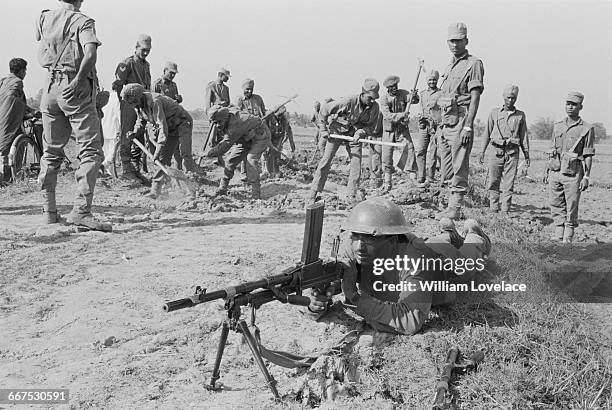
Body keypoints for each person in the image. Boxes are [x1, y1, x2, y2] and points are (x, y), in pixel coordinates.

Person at [309, 197, 491, 335]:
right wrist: (320, 298)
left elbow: (411, 320)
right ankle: (449, 234)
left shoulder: (413, 259)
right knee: (434, 243)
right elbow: (333, 280)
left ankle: (475, 238)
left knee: (466, 270)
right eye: (356, 236)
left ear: (392, 238)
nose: (359, 246)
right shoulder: (354, 246)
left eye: (370, 238)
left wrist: (354, 297)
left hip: (441, 266)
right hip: (427, 246)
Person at [35, 0, 111, 232]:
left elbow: (41, 43)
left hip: (49, 86)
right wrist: (79, 80)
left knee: (51, 151)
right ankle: (81, 212)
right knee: (90, 150)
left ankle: (49, 212)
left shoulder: (43, 17)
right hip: (73, 86)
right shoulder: (82, 21)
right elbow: (90, 53)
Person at [436, 23, 485, 219]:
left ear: (466, 41)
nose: (455, 45)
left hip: (460, 120)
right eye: (451, 41)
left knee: (459, 164)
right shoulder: (449, 65)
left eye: (458, 41)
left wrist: (468, 126)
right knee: (446, 165)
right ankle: (447, 204)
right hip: (446, 121)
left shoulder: (474, 64)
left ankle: (455, 208)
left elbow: (475, 97)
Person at [308, 79, 381, 204]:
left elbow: (372, 127)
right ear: (363, 94)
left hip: (354, 135)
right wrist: (323, 129)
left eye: (374, 98)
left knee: (356, 165)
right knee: (326, 161)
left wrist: (362, 132)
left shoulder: (374, 107)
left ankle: (351, 196)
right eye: (370, 97)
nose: (372, 101)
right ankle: (313, 193)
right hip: (337, 131)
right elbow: (324, 111)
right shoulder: (348, 101)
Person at [120, 84, 194, 199]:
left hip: (182, 123)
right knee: (163, 160)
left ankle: (193, 186)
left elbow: (161, 126)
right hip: (170, 127)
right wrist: (134, 132)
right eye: (130, 103)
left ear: (139, 97)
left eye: (133, 102)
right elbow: (141, 120)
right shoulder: (138, 105)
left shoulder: (155, 102)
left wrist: (158, 149)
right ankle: (156, 191)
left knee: (184, 155)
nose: (132, 105)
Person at [543, 92, 595, 244]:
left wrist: (586, 177)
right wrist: (547, 170)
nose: (570, 107)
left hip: (573, 173)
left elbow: (588, 154)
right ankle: (558, 233)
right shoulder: (557, 126)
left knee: (571, 205)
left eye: (574, 104)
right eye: (568, 103)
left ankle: (568, 237)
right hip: (556, 171)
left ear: (581, 107)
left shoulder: (586, 128)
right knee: (556, 203)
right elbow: (552, 149)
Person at [478, 85, 530, 214]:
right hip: (496, 151)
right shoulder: (494, 113)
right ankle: (493, 208)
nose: (511, 100)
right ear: (503, 97)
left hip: (512, 152)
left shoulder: (520, 115)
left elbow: (523, 136)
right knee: (494, 181)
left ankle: (505, 210)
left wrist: (527, 154)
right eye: (508, 98)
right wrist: (482, 151)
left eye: (513, 98)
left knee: (509, 184)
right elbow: (487, 132)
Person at [203, 104, 271, 199]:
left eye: (219, 122)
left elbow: (224, 146)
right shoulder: (227, 114)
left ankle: (256, 194)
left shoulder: (235, 126)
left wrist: (208, 154)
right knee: (230, 161)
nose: (217, 125)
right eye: (215, 122)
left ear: (225, 118)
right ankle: (222, 188)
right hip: (245, 137)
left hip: (260, 136)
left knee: (251, 161)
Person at [112, 34, 152, 184]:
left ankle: (136, 168)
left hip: (142, 104)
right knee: (127, 134)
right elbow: (117, 85)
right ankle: (126, 169)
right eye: (143, 50)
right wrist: (124, 102)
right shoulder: (126, 63)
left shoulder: (146, 65)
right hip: (128, 103)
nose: (145, 53)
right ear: (136, 47)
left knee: (139, 134)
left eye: (148, 50)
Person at [152, 62, 202, 175]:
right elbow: (154, 103)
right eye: (171, 73)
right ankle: (164, 172)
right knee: (165, 150)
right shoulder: (157, 84)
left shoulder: (173, 85)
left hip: (175, 119)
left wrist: (179, 99)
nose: (172, 75)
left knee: (179, 148)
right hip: (163, 120)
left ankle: (180, 171)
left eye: (174, 74)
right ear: (164, 71)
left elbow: (175, 101)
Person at [379, 75, 419, 192]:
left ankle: (413, 179)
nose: (395, 88)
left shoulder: (403, 93)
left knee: (410, 150)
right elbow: (387, 115)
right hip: (389, 129)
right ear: (388, 88)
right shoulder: (384, 98)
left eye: (396, 86)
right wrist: (402, 115)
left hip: (402, 128)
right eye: (392, 87)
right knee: (386, 155)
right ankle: (387, 182)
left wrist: (414, 95)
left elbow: (414, 100)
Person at [0, 58, 36, 182]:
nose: (25, 73)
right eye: (25, 70)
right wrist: (29, 112)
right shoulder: (17, 82)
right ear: (21, 71)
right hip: (9, 120)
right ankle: (11, 177)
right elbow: (13, 102)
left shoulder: (4, 81)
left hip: (2, 118)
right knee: (10, 147)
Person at [417, 70, 445, 186]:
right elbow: (418, 105)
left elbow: (443, 109)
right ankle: (421, 176)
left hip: (435, 126)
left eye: (434, 80)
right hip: (424, 125)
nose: (432, 82)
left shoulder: (441, 93)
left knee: (433, 153)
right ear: (426, 81)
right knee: (420, 151)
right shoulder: (423, 94)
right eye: (430, 80)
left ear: (437, 80)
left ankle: (431, 176)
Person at [235, 78, 266, 183]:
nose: (249, 91)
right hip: (245, 131)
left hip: (257, 130)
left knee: (253, 155)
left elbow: (263, 113)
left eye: (251, 89)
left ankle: (253, 175)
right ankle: (244, 173)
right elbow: (237, 116)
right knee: (244, 151)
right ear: (243, 88)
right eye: (247, 89)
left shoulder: (258, 99)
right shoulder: (239, 100)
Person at [204, 68, 231, 166]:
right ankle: (211, 157)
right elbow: (207, 104)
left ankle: (220, 159)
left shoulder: (226, 88)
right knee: (212, 139)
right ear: (220, 75)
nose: (228, 79)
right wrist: (210, 116)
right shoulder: (211, 86)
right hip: (214, 116)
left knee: (221, 139)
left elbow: (228, 102)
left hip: (223, 117)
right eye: (226, 77)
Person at [265, 105, 294, 178]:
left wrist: (279, 144)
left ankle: (276, 171)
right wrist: (269, 144)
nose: (280, 116)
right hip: (268, 138)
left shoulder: (284, 119)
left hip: (277, 138)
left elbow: (283, 133)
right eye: (279, 114)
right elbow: (265, 131)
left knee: (277, 155)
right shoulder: (269, 117)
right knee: (267, 154)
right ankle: (267, 171)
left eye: (282, 114)